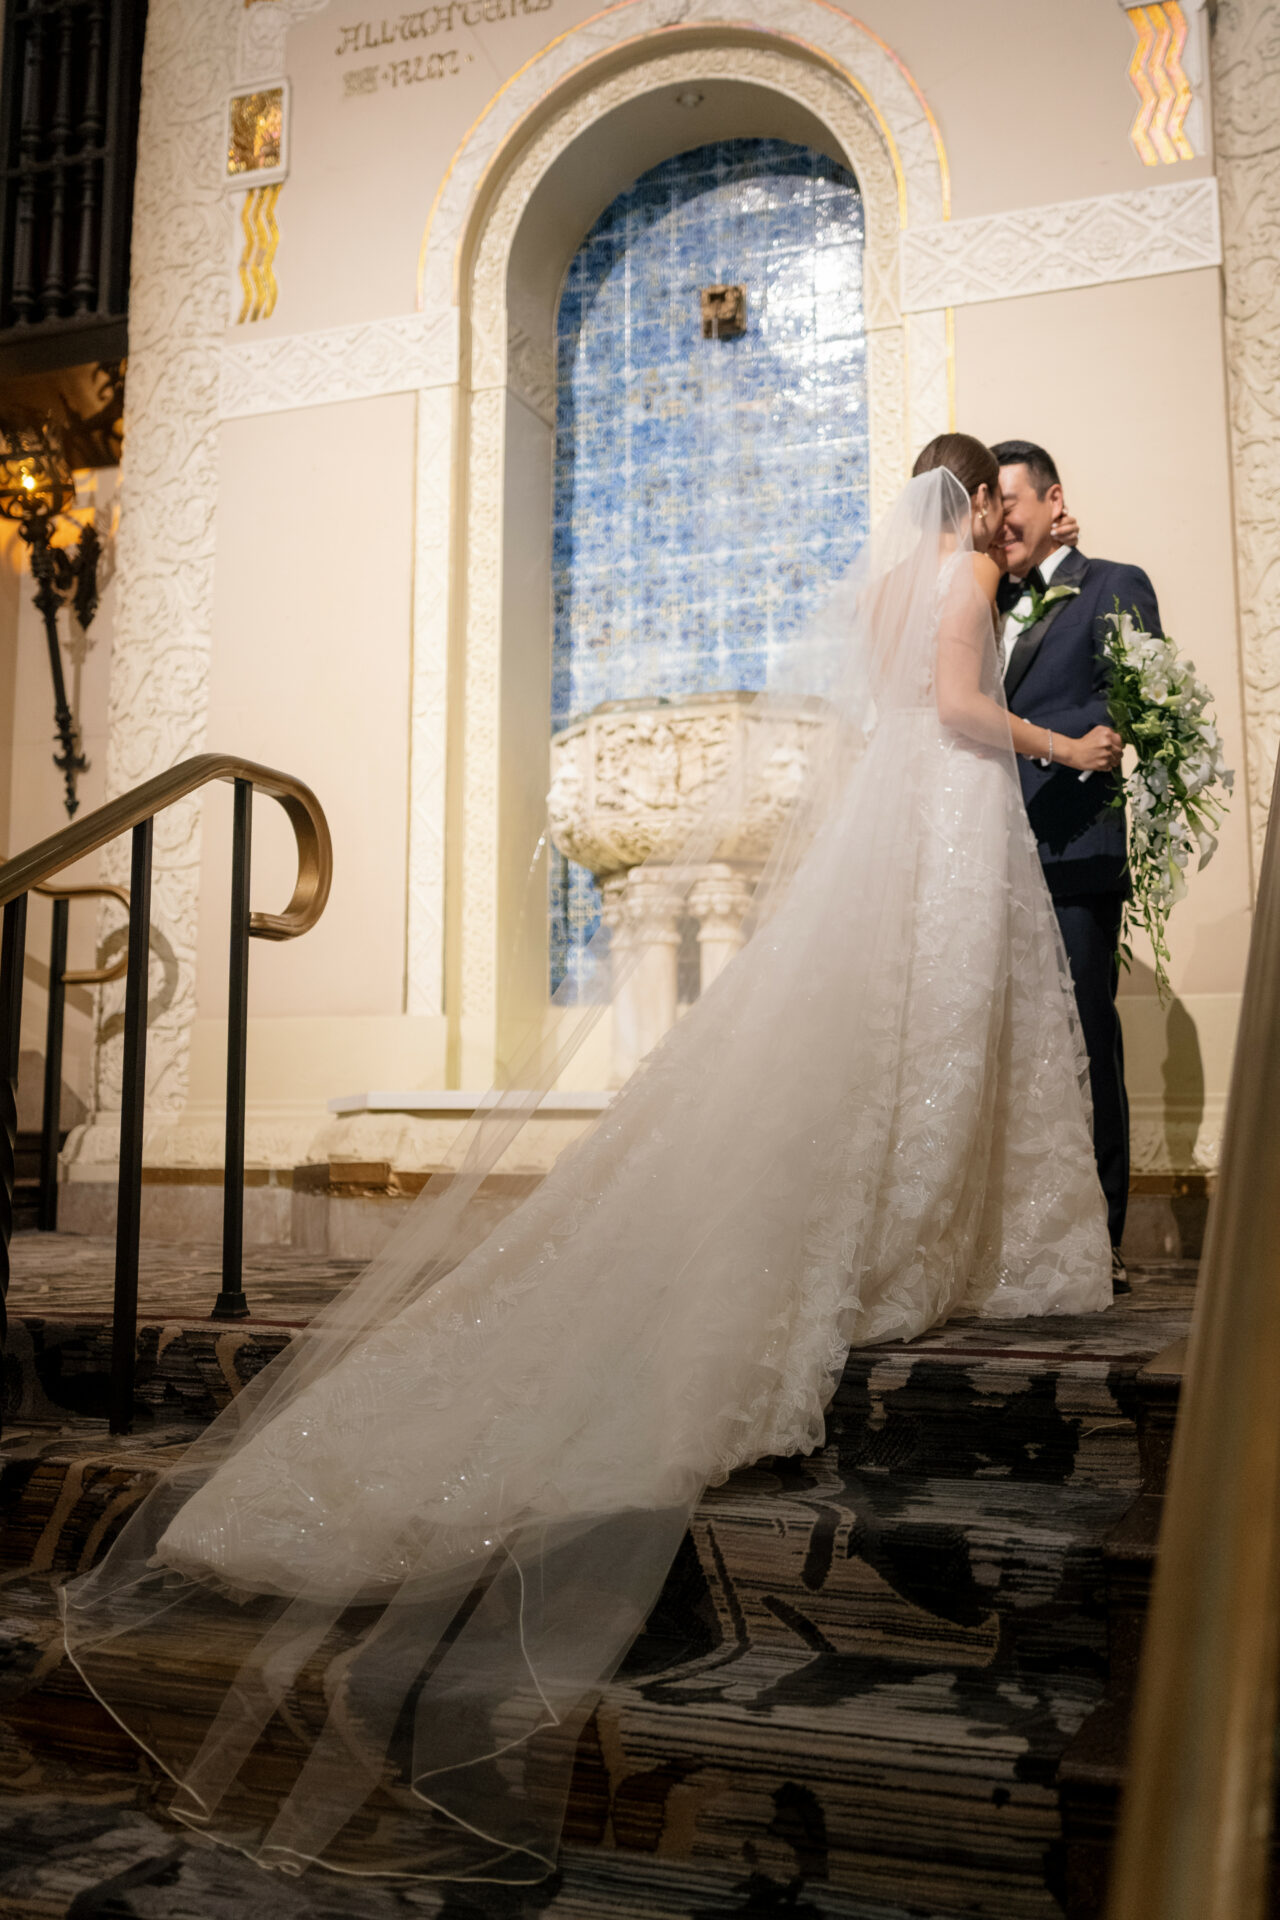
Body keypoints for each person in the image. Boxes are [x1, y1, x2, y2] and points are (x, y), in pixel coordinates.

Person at [61, 445, 1116, 1885]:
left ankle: (913, 1228)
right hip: (946, 816)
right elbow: (949, 707)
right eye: (990, 492)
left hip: (910, 825)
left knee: (899, 1050)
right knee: (925, 1041)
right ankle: (917, 1242)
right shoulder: (959, 575)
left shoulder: (889, 579)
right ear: (968, 501)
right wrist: (1069, 747)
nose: (1002, 511)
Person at [992, 438, 1161, 1270]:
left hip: (1073, 851)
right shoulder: (992, 600)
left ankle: (1103, 1240)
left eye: (1009, 504)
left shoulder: (1111, 584)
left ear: (1052, 500)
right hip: (998, 858)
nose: (998, 522)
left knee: (1088, 1041)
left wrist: (1108, 736)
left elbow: (1145, 692)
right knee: (1019, 1051)